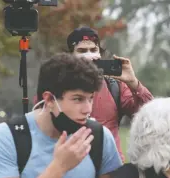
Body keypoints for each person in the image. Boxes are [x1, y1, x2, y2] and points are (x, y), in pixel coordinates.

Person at [0, 53, 122, 178]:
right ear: (49, 99)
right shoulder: (6, 137)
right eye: (78, 99)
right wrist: (59, 167)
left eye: (91, 98)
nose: (87, 109)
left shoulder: (99, 137)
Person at [66, 26, 154, 162]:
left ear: (99, 54)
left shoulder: (115, 86)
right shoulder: (59, 86)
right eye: (82, 51)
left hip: (110, 166)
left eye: (93, 50)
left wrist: (133, 83)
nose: (89, 56)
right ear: (70, 55)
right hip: (73, 165)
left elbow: (148, 115)